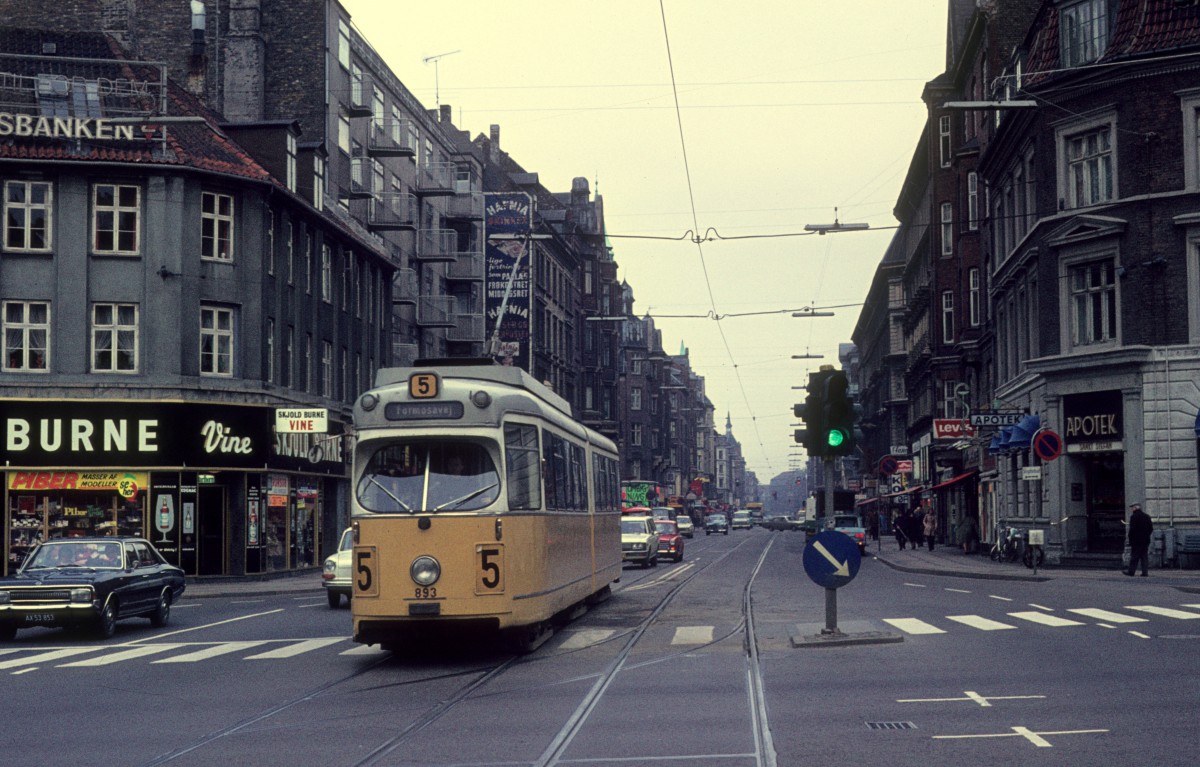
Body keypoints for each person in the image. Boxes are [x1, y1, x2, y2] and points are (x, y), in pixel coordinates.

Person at [1125, 503, 1153, 577]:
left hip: (1136, 540)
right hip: (1145, 540)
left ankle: (1131, 571)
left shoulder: (1134, 517)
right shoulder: (1147, 516)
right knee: (1144, 556)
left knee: (1134, 556)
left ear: (1135, 508)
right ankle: (1145, 572)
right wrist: (1146, 535)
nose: (1132, 509)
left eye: (1132, 508)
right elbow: (1151, 528)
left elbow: (1132, 529)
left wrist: (1130, 538)